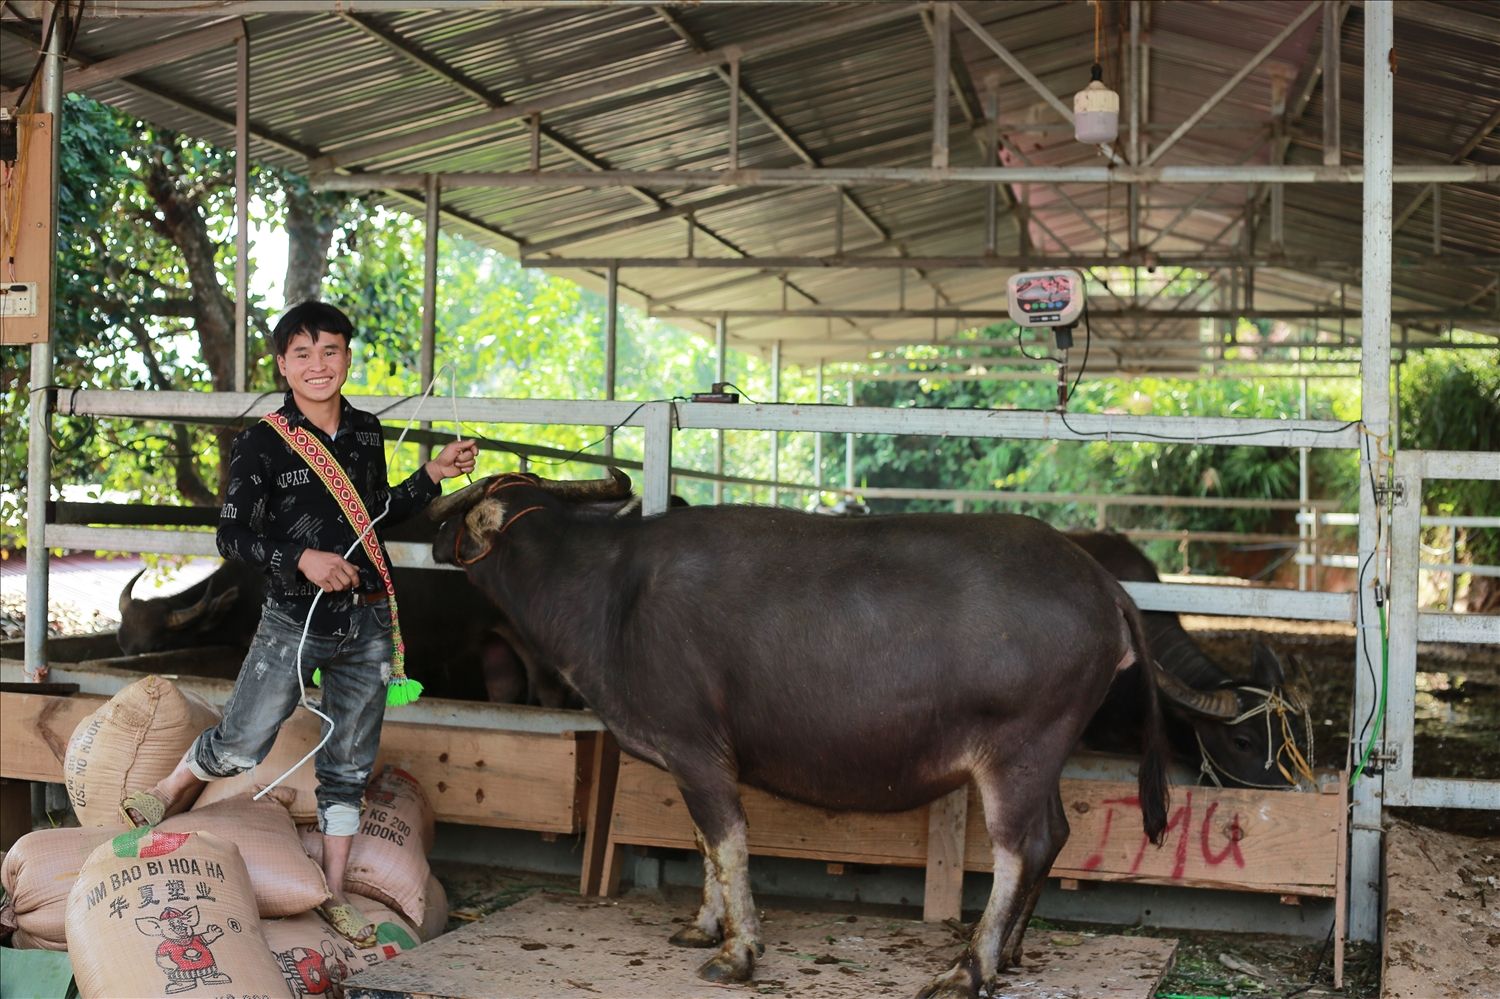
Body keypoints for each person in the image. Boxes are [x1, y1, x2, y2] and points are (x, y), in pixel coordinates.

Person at [120, 301, 478, 945]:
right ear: (283, 365)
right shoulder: (261, 441)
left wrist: (433, 476)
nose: (320, 365)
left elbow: (375, 513)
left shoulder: (366, 432)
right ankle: (171, 785)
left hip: (368, 619)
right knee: (244, 739)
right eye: (303, 354)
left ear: (347, 357)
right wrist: (301, 559)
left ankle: (334, 894)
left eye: (332, 351)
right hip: (294, 616)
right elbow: (231, 535)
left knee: (348, 765)